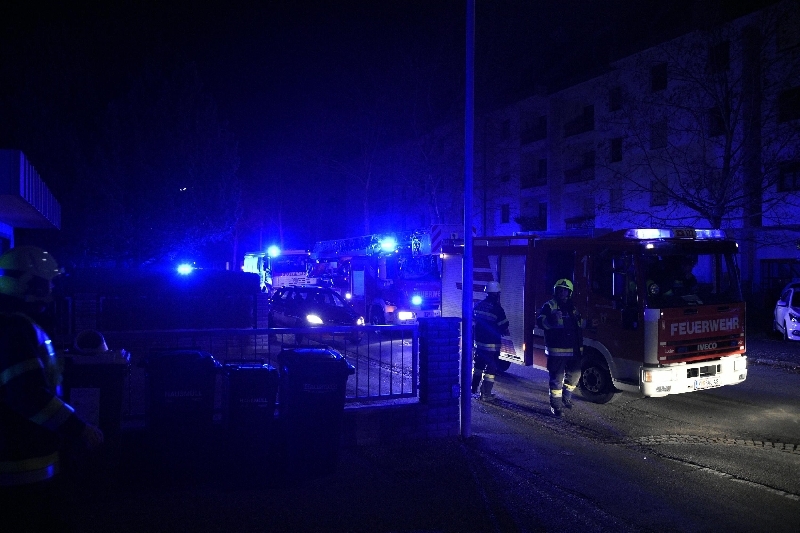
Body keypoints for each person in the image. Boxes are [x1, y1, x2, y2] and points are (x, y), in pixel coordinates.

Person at [0, 246, 104, 531]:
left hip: (23, 462)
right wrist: (79, 428)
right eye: (47, 283)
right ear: (28, 283)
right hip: (21, 466)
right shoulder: (16, 328)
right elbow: (28, 395)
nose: (52, 290)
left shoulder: (16, 324)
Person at [537, 278, 585, 417]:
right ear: (555, 291)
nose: (562, 292)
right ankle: (556, 406)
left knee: (575, 376)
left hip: (573, 350)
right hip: (557, 351)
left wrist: (590, 324)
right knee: (556, 380)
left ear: (569, 293)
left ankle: (566, 397)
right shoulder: (549, 306)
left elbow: (579, 323)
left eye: (565, 290)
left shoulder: (572, 308)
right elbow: (540, 322)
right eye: (560, 290)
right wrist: (551, 318)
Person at [471, 281, 509, 402]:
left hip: (479, 343)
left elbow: (473, 322)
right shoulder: (497, 309)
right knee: (491, 370)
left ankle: (473, 389)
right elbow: (504, 325)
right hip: (492, 344)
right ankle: (486, 394)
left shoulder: (478, 305)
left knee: (478, 366)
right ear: (497, 294)